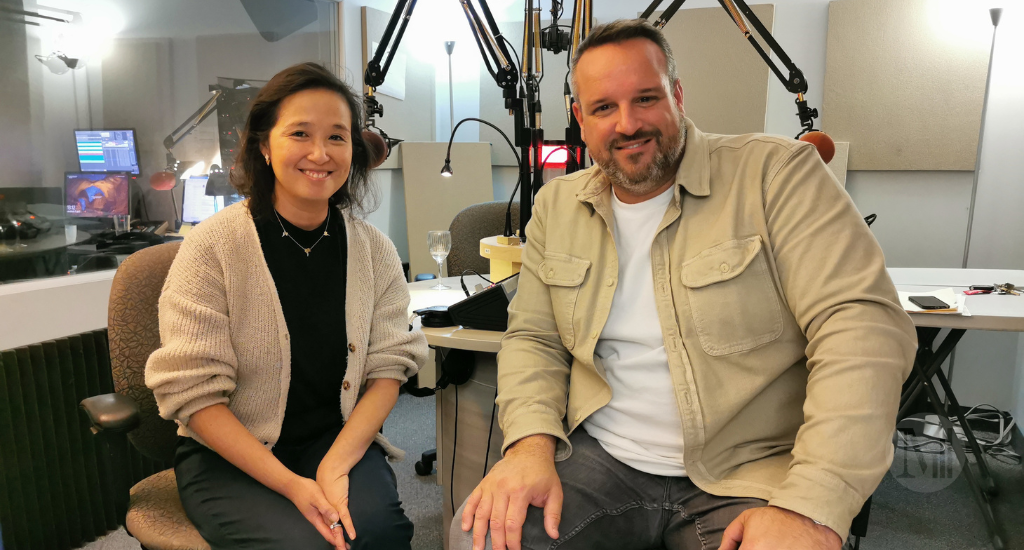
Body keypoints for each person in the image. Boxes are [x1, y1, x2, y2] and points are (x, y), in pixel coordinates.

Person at [452, 19, 916, 550]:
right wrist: (529, 446)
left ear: (677, 95)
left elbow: (862, 331)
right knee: (480, 539)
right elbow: (534, 339)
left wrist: (811, 504)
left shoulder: (777, 175)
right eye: (604, 108)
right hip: (601, 458)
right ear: (581, 119)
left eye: (645, 98)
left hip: (750, 470)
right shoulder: (557, 206)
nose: (627, 123)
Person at [146, 62, 428, 550]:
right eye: (300, 133)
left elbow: (389, 368)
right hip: (231, 456)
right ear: (263, 144)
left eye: (337, 138)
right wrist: (291, 485)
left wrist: (337, 464)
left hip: (333, 441)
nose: (320, 153)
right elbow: (194, 395)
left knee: (380, 536)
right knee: (305, 545)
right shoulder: (212, 247)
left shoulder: (374, 250)